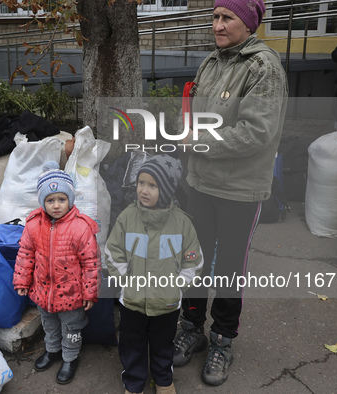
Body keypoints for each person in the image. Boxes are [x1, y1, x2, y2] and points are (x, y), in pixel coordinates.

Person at [172, 0, 288, 387]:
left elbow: (256, 133)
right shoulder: (212, 62)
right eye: (215, 17)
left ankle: (222, 340)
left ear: (248, 23)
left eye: (227, 18)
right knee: (194, 259)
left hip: (240, 190)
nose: (217, 26)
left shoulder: (263, 68)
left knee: (228, 267)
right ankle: (190, 326)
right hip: (201, 183)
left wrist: (198, 142)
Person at [105, 154, 204, 394]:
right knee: (132, 345)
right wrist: (125, 281)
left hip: (166, 303)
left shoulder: (181, 223)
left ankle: (163, 380)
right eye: (141, 183)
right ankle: (134, 382)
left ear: (168, 189)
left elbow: (194, 260)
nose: (144, 190)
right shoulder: (127, 217)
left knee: (163, 345)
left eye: (152, 185)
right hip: (132, 301)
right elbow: (112, 251)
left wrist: (178, 287)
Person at [13, 162, 99, 385]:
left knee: (72, 327)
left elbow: (91, 263)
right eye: (50, 201)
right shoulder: (33, 225)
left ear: (70, 199)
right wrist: (22, 280)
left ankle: (70, 357)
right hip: (44, 291)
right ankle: (52, 351)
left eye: (62, 199)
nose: (56, 205)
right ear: (43, 202)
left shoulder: (81, 227)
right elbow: (25, 254)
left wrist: (89, 293)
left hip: (72, 294)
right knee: (48, 323)